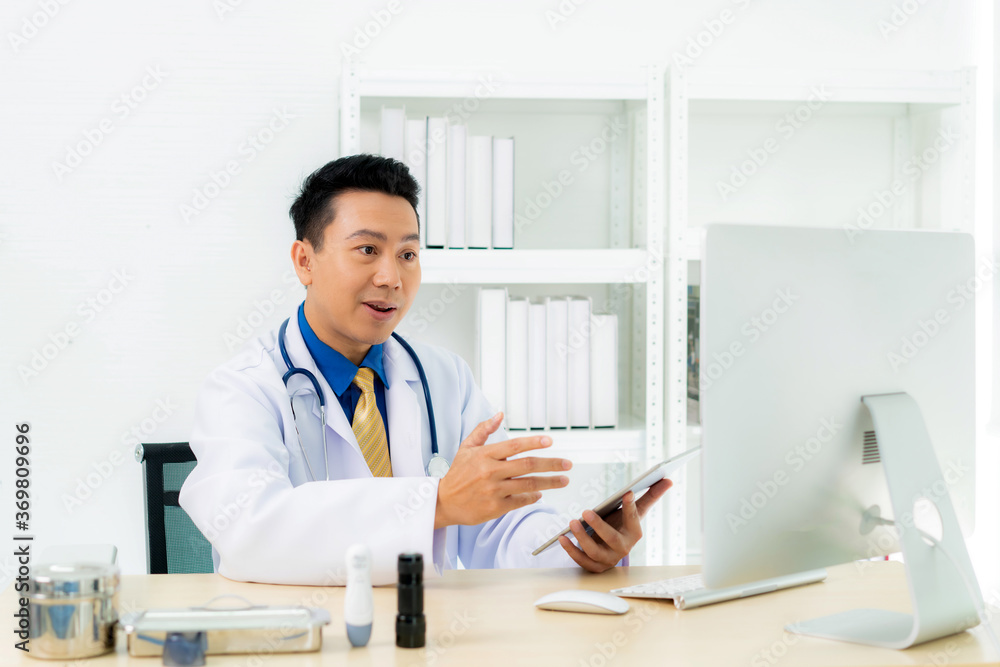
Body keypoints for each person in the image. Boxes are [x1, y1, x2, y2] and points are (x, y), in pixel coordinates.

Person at [179, 154, 671, 585]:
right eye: (367, 250)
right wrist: (435, 504)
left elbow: (495, 527)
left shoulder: (442, 377)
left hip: (425, 636)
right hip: (302, 641)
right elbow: (248, 529)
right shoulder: (242, 389)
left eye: (408, 254)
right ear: (305, 261)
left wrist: (576, 548)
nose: (391, 278)